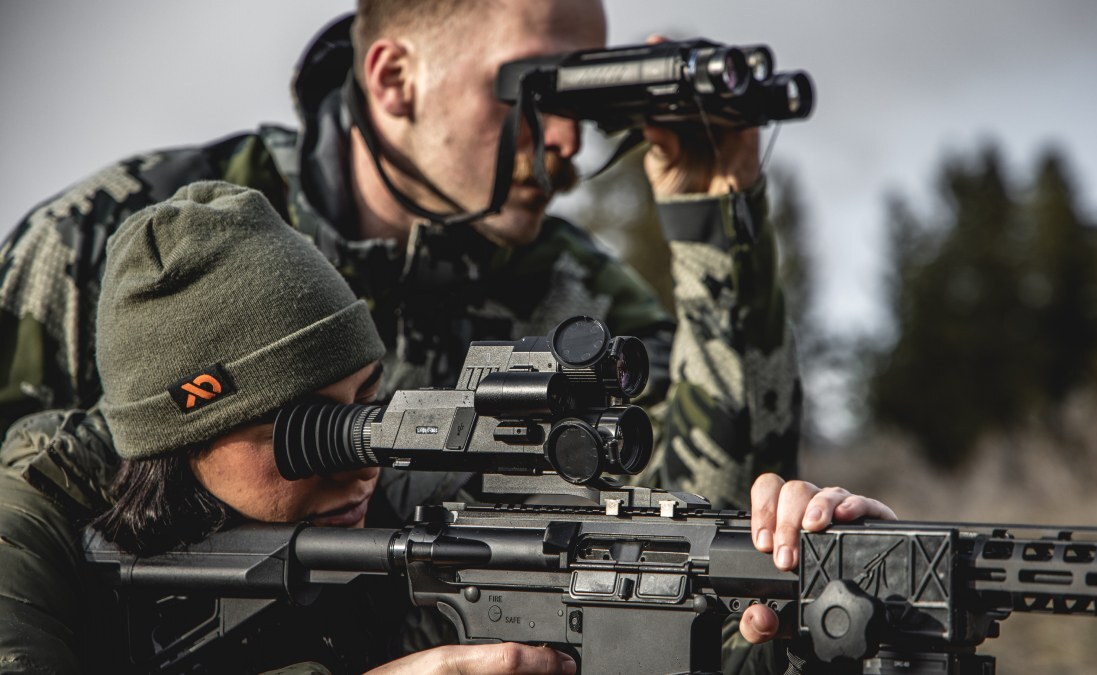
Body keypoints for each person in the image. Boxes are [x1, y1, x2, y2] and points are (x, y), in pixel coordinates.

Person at [0, 183, 897, 674]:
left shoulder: (418, 508)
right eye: (316, 428)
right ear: (182, 429)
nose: (361, 455)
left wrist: (824, 597)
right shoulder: (31, 516)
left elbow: (665, 622)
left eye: (369, 396)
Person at [0, 0, 798, 510]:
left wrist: (712, 217)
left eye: (580, 98)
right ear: (395, 80)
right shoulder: (112, 242)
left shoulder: (581, 298)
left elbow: (713, 529)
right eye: (533, 93)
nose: (565, 138)